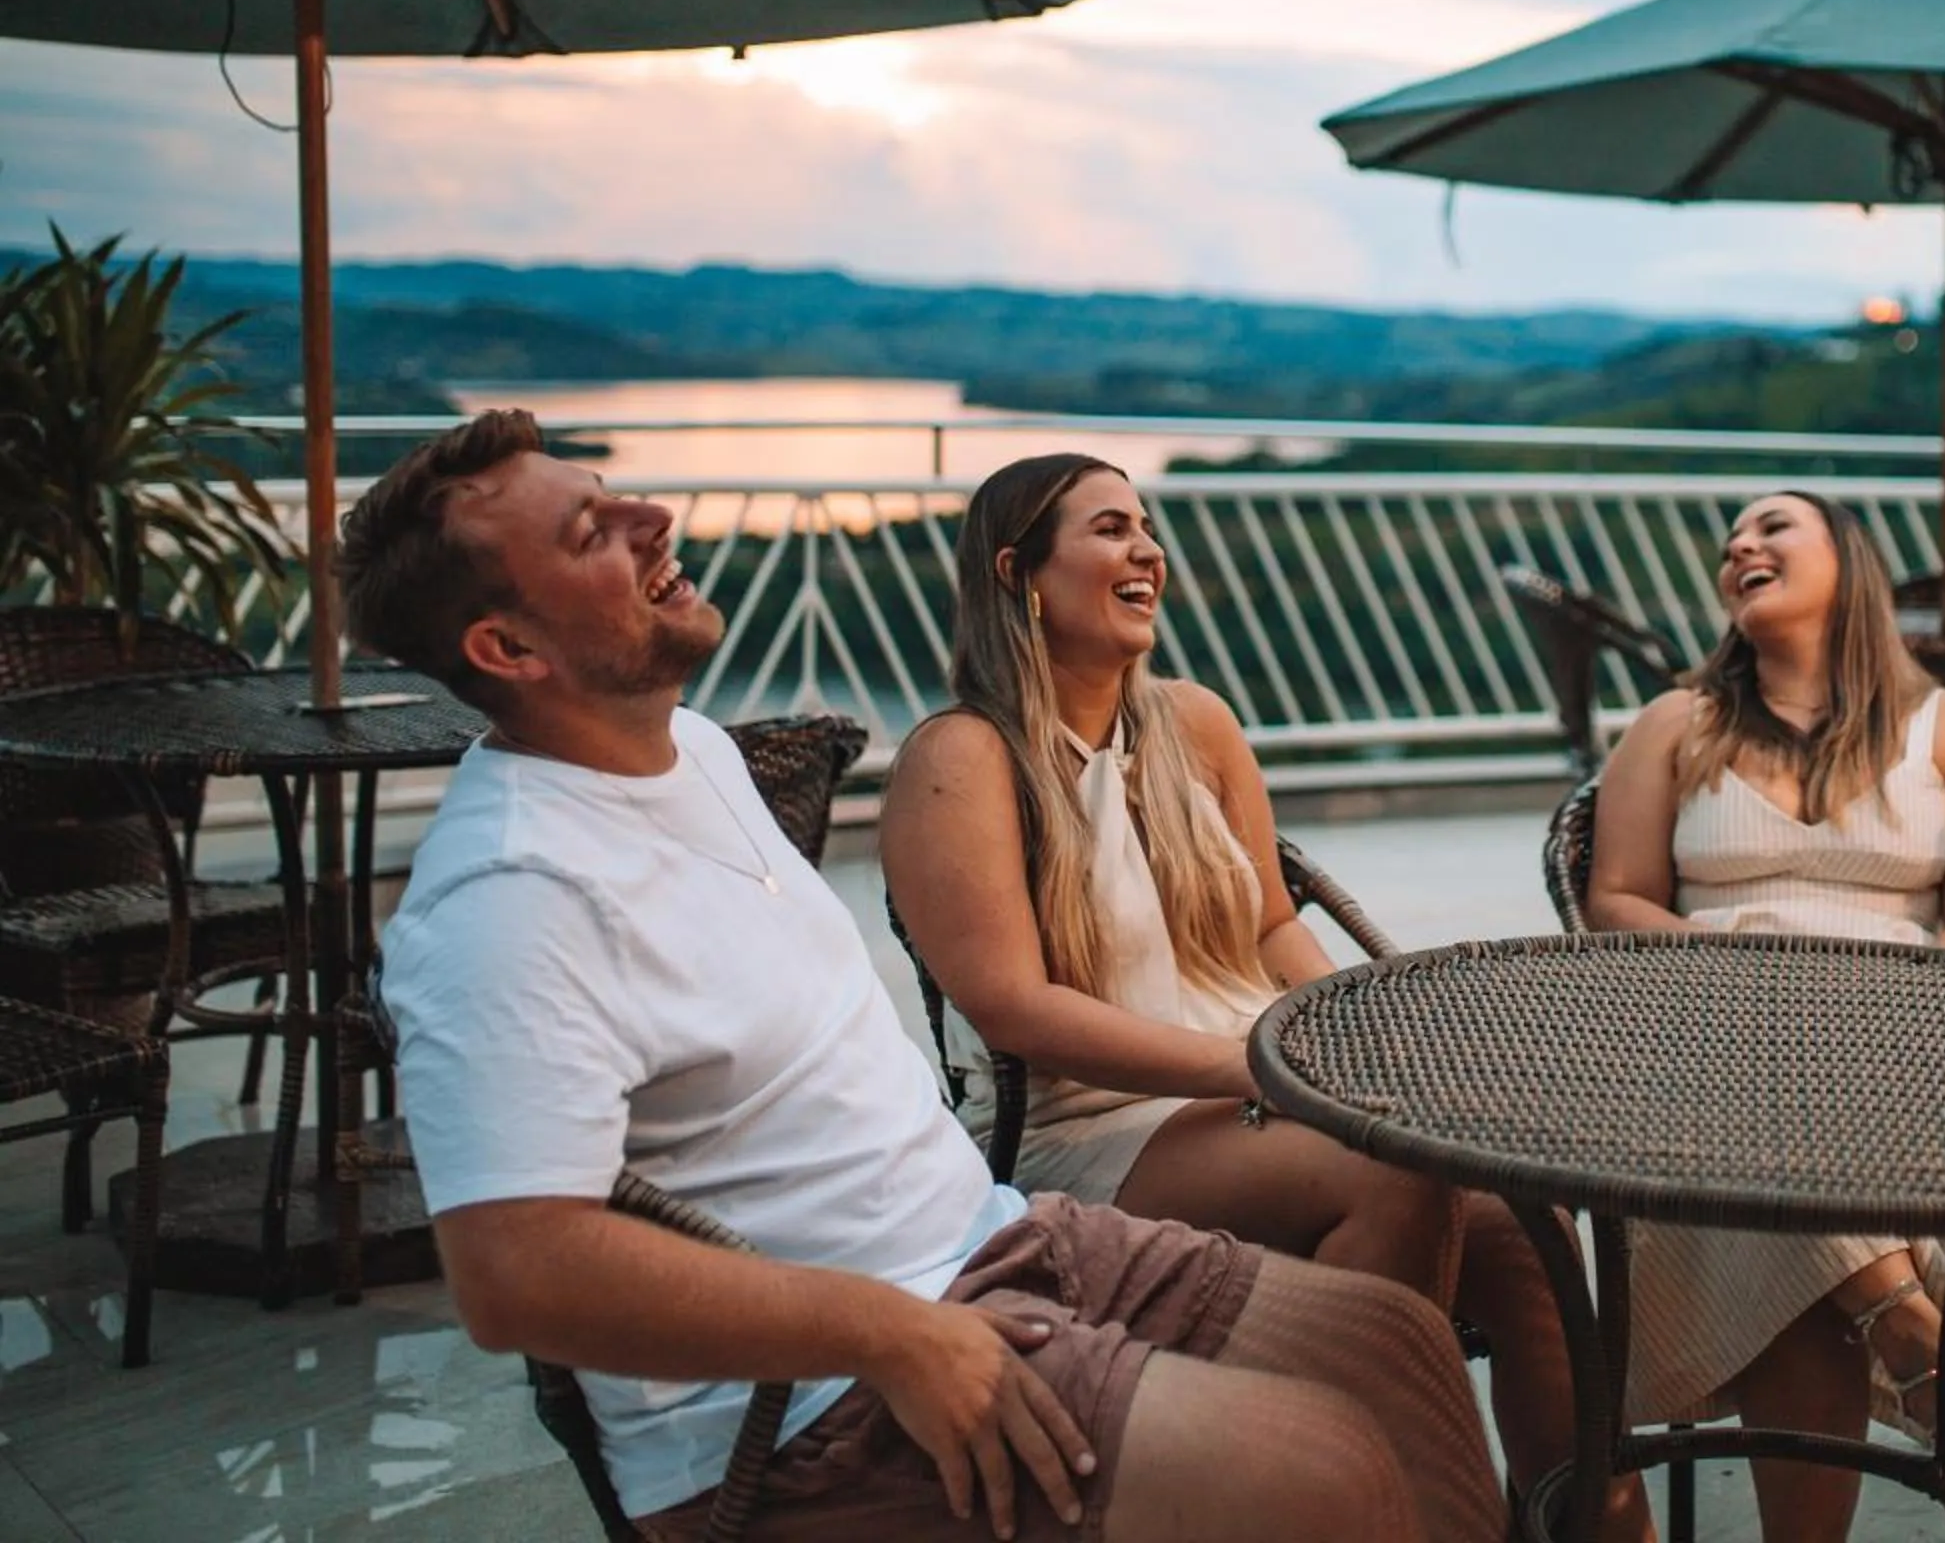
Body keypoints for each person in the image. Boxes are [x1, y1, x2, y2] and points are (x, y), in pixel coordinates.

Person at [344, 412, 1505, 1543]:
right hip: (804, 1404)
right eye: (593, 527)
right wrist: (888, 1332)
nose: (654, 514)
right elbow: (514, 1274)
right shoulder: (508, 898)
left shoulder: (693, 751)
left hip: (990, 1240)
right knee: (1323, 1469)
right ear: (508, 648)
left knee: (1393, 1346)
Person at [880, 453, 1645, 1541]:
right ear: (1020, 573)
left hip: (1265, 1089)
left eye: (1148, 527)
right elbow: (1011, 1006)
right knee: (1392, 1170)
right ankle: (1404, 1512)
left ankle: (1587, 1524)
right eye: (1110, 529)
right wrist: (1262, 1069)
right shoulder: (962, 757)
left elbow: (1272, 924)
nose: (1148, 549)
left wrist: (1367, 1046)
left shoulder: (1195, 721)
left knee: (1531, 1229)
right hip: (1092, 1134)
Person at [1584, 489, 1945, 1543]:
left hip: (1902, 1021)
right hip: (1715, 1016)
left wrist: (1943, 974)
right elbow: (1613, 900)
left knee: (1781, 1212)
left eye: (1770, 527)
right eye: (1729, 543)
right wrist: (1728, 960)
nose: (1741, 547)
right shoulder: (1676, 721)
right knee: (1759, 1064)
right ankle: (1901, 1314)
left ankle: (1888, 1312)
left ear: (1850, 561)